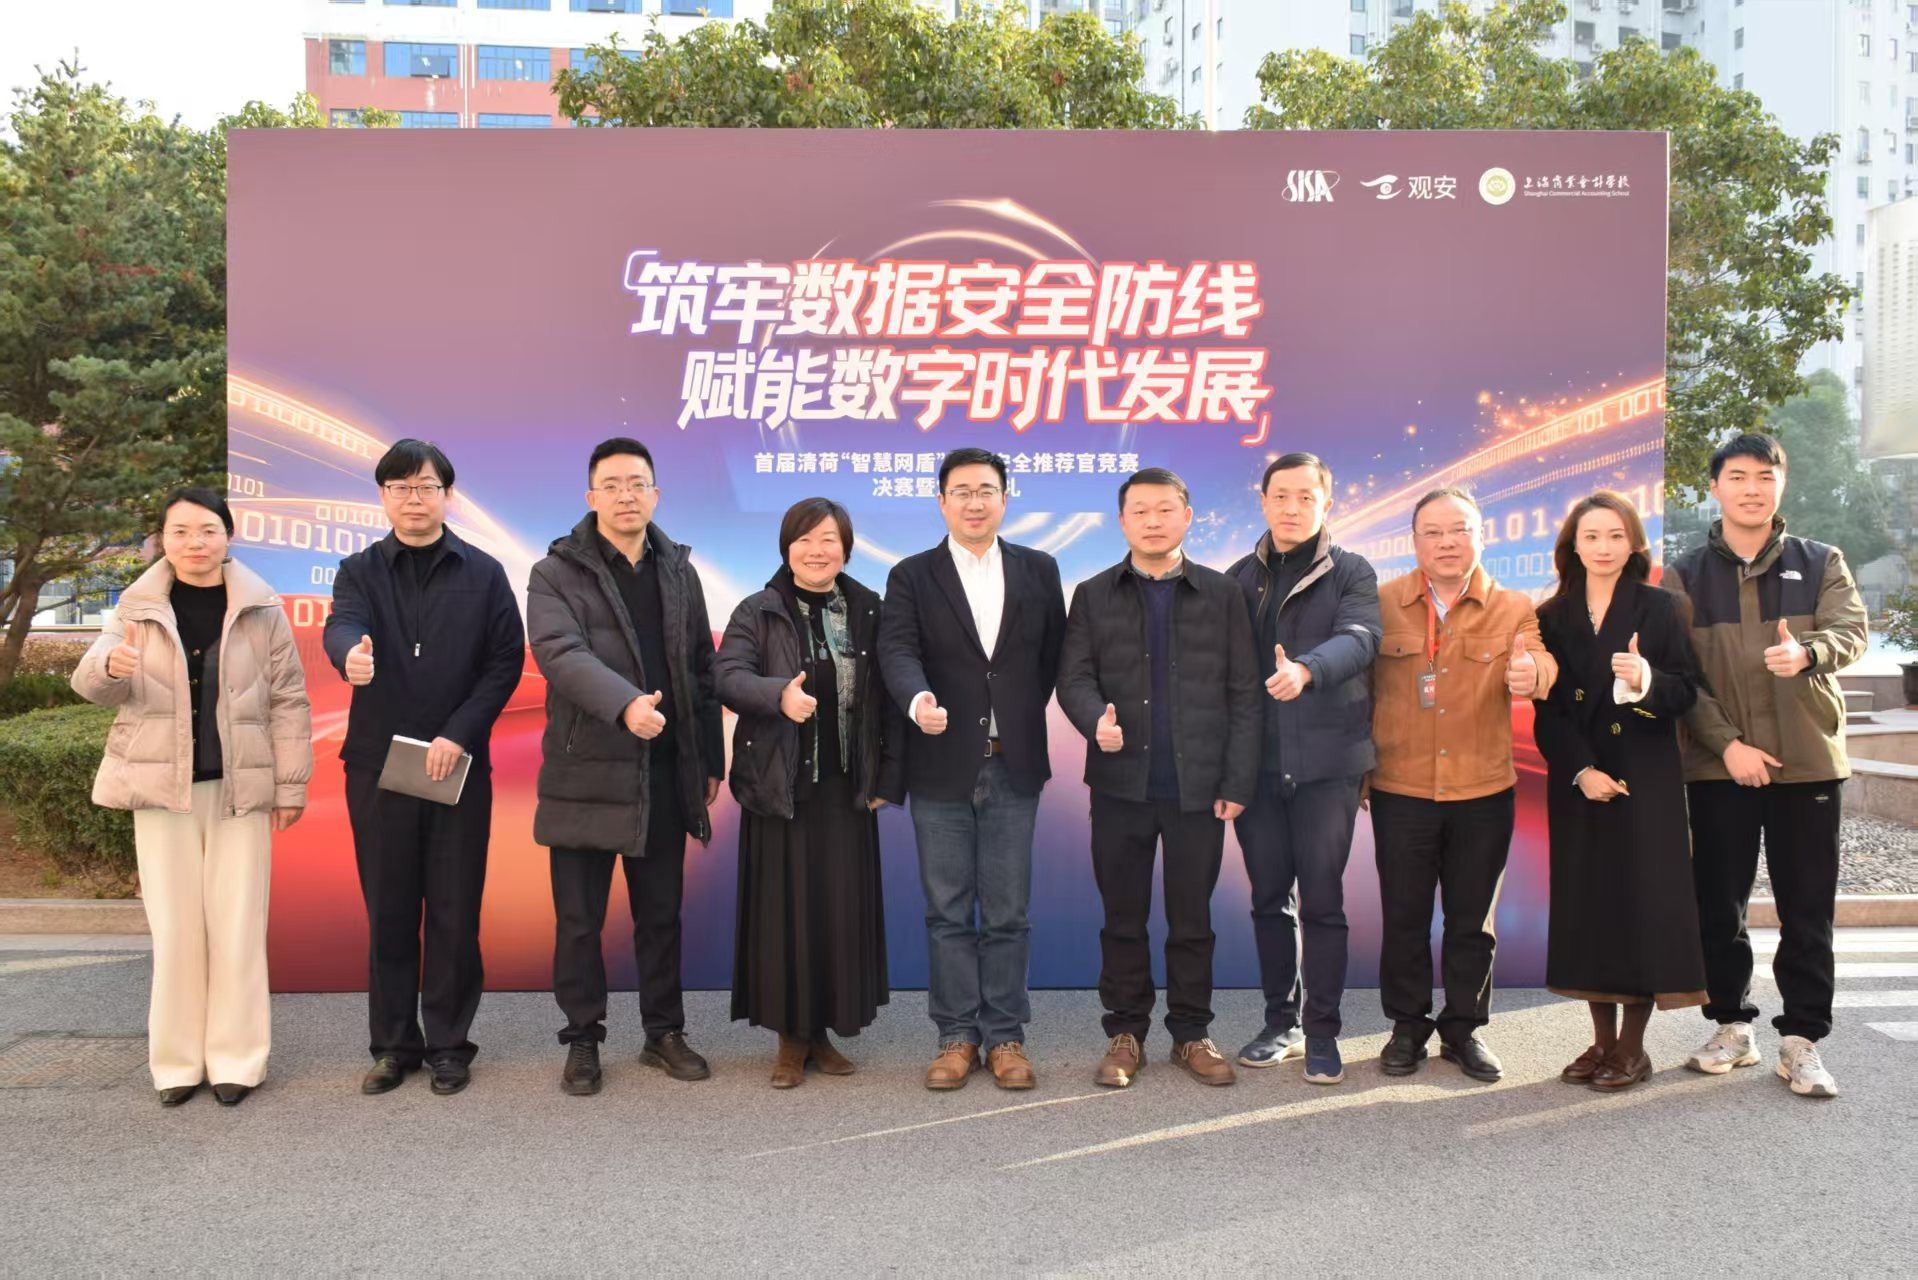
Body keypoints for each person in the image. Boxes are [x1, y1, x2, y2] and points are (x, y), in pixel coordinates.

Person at [72, 487, 312, 1107]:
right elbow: (89, 684)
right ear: (163, 538)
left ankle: (237, 1060)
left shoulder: (262, 609)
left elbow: (289, 701)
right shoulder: (136, 606)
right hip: (162, 793)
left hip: (239, 790)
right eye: (179, 531)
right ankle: (176, 1063)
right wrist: (111, 667)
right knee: (175, 930)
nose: (194, 543)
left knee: (237, 926)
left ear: (228, 536)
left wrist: (290, 786)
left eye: (207, 530)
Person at [1662, 433, 1868, 1099]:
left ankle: (1802, 1041)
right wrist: (1727, 745)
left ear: (1782, 484)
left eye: (1764, 476)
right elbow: (1680, 677)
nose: (1752, 488)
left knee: (1807, 910)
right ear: (1715, 487)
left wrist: (1808, 653)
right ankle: (1732, 1026)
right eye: (1738, 476)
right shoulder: (1685, 574)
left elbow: (1851, 632)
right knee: (1719, 905)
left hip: (1807, 764)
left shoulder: (1821, 561)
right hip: (1720, 766)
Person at [322, 440, 525, 1098]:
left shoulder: (484, 573)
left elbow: (504, 662)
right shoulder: (358, 571)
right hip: (378, 765)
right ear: (383, 496)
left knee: (453, 911)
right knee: (388, 910)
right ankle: (392, 1046)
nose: (414, 499)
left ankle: (448, 1045)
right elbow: (341, 626)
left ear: (448, 496)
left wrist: (458, 734)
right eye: (401, 487)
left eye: (426, 487)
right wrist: (349, 656)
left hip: (454, 766)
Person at [526, 438, 725, 1096]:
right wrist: (625, 705)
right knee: (580, 921)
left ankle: (663, 1032)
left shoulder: (680, 571)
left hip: (663, 771)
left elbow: (701, 669)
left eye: (637, 483)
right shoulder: (554, 573)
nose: (625, 496)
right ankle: (582, 1038)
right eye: (611, 485)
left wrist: (709, 759)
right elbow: (560, 653)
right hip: (585, 770)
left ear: (656, 494)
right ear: (591, 497)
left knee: (660, 915)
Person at [1057, 467, 1262, 1089]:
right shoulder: (1093, 593)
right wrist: (1094, 721)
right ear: (1122, 521)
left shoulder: (1222, 594)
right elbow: (1074, 677)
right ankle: (1125, 1034)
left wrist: (1237, 781)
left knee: (1191, 919)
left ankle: (1192, 1033)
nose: (1153, 521)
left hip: (1199, 788)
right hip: (1120, 784)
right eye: (1140, 511)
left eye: (1165, 509)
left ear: (1187, 516)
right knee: (1122, 917)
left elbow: (1244, 691)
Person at [878, 448, 1067, 1092]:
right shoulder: (911, 574)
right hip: (940, 765)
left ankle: (1006, 1037)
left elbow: (1052, 657)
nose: (975, 502)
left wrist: (1014, 716)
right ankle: (957, 1036)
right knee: (948, 911)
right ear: (941, 502)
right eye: (961, 491)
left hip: (1014, 765)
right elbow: (897, 649)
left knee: (1009, 912)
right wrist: (917, 699)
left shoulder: (1039, 569)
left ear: (1005, 499)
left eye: (986, 490)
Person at [715, 498, 905, 1088]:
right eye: (804, 539)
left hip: (847, 789)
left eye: (828, 539)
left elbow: (890, 694)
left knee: (835, 913)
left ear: (846, 548)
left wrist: (887, 777)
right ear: (786, 547)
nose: (816, 551)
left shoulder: (869, 609)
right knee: (784, 916)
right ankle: (790, 1039)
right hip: (782, 785)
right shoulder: (759, 609)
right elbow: (726, 676)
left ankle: (822, 1032)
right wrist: (778, 695)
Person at [1369, 486, 1556, 1084]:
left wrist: (1531, 672)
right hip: (1401, 788)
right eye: (1433, 532)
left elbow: (1542, 663)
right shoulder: (1382, 603)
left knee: (1472, 921)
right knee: (1404, 917)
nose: (1447, 543)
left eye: (1460, 530)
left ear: (1482, 536)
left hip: (1483, 791)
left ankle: (1463, 1030)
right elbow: (1358, 687)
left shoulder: (1513, 607)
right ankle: (1406, 1028)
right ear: (1414, 541)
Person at [1533, 492, 1707, 1090]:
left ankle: (1633, 1048)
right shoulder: (1551, 615)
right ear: (1573, 546)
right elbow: (1549, 711)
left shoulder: (1662, 607)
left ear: (1634, 543)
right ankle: (1601, 1042)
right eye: (1591, 536)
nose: (1603, 547)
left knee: (1641, 904)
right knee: (1588, 907)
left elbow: (1687, 692)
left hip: (1644, 776)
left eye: (1615, 535)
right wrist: (1580, 770)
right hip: (1580, 779)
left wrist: (1646, 679)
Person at [1225, 452, 1381, 1086]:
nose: (1292, 508)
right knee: (1269, 901)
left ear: (1326, 503)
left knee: (1322, 901)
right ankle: (1279, 1023)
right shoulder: (1238, 579)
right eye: (1281, 496)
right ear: (1262, 501)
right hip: (1257, 771)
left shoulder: (1351, 571)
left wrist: (1307, 669)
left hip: (1327, 766)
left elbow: (1361, 639)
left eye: (1306, 497)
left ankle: (1322, 1033)